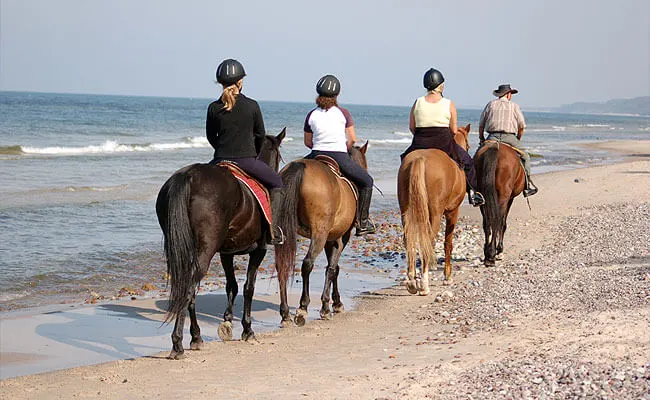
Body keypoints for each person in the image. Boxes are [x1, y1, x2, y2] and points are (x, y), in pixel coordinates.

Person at [206, 58, 285, 244]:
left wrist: (222, 151)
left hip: (219, 161)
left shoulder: (213, 107)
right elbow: (260, 135)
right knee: (277, 182)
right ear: (240, 82)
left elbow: (211, 136)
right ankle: (273, 231)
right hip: (245, 160)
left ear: (220, 83)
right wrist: (254, 155)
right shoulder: (252, 105)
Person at [303, 74, 375, 236]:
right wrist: (344, 147)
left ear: (318, 94)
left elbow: (308, 142)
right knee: (367, 181)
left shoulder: (311, 114)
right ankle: (362, 222)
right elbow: (352, 139)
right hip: (339, 155)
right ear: (336, 95)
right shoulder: (343, 113)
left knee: (288, 175)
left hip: (316, 154)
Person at [401, 68, 485, 206]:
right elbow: (453, 129)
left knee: (405, 160)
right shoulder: (448, 104)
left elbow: (412, 127)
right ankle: (474, 193)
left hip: (420, 142)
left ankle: (404, 191)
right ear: (441, 85)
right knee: (468, 162)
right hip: (443, 142)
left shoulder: (418, 102)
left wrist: (423, 136)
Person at [478, 84, 538, 197]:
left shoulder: (490, 104)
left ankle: (473, 187)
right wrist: (518, 139)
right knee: (525, 157)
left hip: (492, 137)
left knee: (477, 156)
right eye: (511, 93)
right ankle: (528, 185)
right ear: (508, 94)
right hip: (509, 137)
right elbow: (522, 126)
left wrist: (481, 138)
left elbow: (481, 125)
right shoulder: (514, 106)